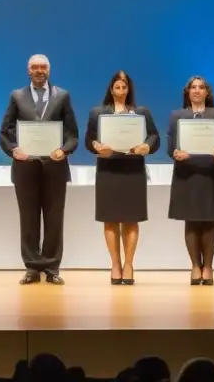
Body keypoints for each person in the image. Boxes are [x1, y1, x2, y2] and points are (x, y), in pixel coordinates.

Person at [0, 53, 80, 285]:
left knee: (54, 219)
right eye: (34, 67)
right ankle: (33, 267)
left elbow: (72, 134)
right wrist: (13, 150)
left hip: (55, 167)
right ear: (28, 71)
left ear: (49, 70)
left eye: (43, 67)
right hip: (25, 167)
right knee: (29, 219)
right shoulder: (17, 96)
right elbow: (5, 132)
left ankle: (52, 267)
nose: (39, 71)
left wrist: (64, 150)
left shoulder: (62, 96)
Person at [85, 70, 159, 285]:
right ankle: (115, 264)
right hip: (108, 169)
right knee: (110, 218)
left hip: (133, 169)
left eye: (124, 86)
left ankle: (129, 264)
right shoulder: (98, 112)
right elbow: (89, 140)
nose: (120, 90)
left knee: (131, 219)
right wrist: (97, 147)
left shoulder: (141, 112)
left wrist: (147, 145)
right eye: (117, 86)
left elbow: (154, 137)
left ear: (129, 90)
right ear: (111, 89)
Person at [166, 75, 214, 285]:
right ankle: (195, 266)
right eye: (193, 87)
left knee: (209, 220)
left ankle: (208, 267)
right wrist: (177, 154)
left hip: (213, 174)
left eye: (201, 87)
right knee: (191, 221)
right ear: (187, 92)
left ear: (207, 92)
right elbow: (171, 147)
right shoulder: (177, 115)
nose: (197, 90)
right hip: (186, 174)